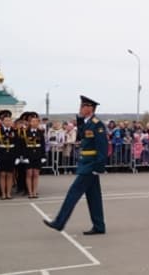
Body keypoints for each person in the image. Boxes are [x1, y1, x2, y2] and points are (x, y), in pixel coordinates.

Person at [43, 95, 108, 235]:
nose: (80, 108)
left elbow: (102, 147)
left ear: (90, 108)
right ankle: (99, 226)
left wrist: (98, 168)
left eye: (83, 106)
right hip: (86, 163)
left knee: (73, 193)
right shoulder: (86, 123)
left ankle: (59, 222)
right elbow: (81, 138)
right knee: (94, 197)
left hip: (91, 166)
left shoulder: (98, 125)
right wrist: (80, 123)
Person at [0, 110, 21, 200]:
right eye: (6, 120)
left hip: (11, 154)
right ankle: (3, 193)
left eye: (9, 120)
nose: (8, 122)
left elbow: (17, 145)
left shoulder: (14, 131)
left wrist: (17, 157)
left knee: (10, 174)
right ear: (2, 121)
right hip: (1, 155)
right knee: (2, 174)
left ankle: (8, 193)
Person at [21, 113, 46, 198]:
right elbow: (23, 146)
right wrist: (24, 157)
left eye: (37, 121)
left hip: (37, 155)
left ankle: (35, 192)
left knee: (36, 174)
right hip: (29, 155)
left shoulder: (40, 132)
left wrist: (43, 156)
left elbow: (43, 145)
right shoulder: (25, 133)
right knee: (29, 174)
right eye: (33, 121)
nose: (35, 123)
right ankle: (30, 192)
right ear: (30, 123)